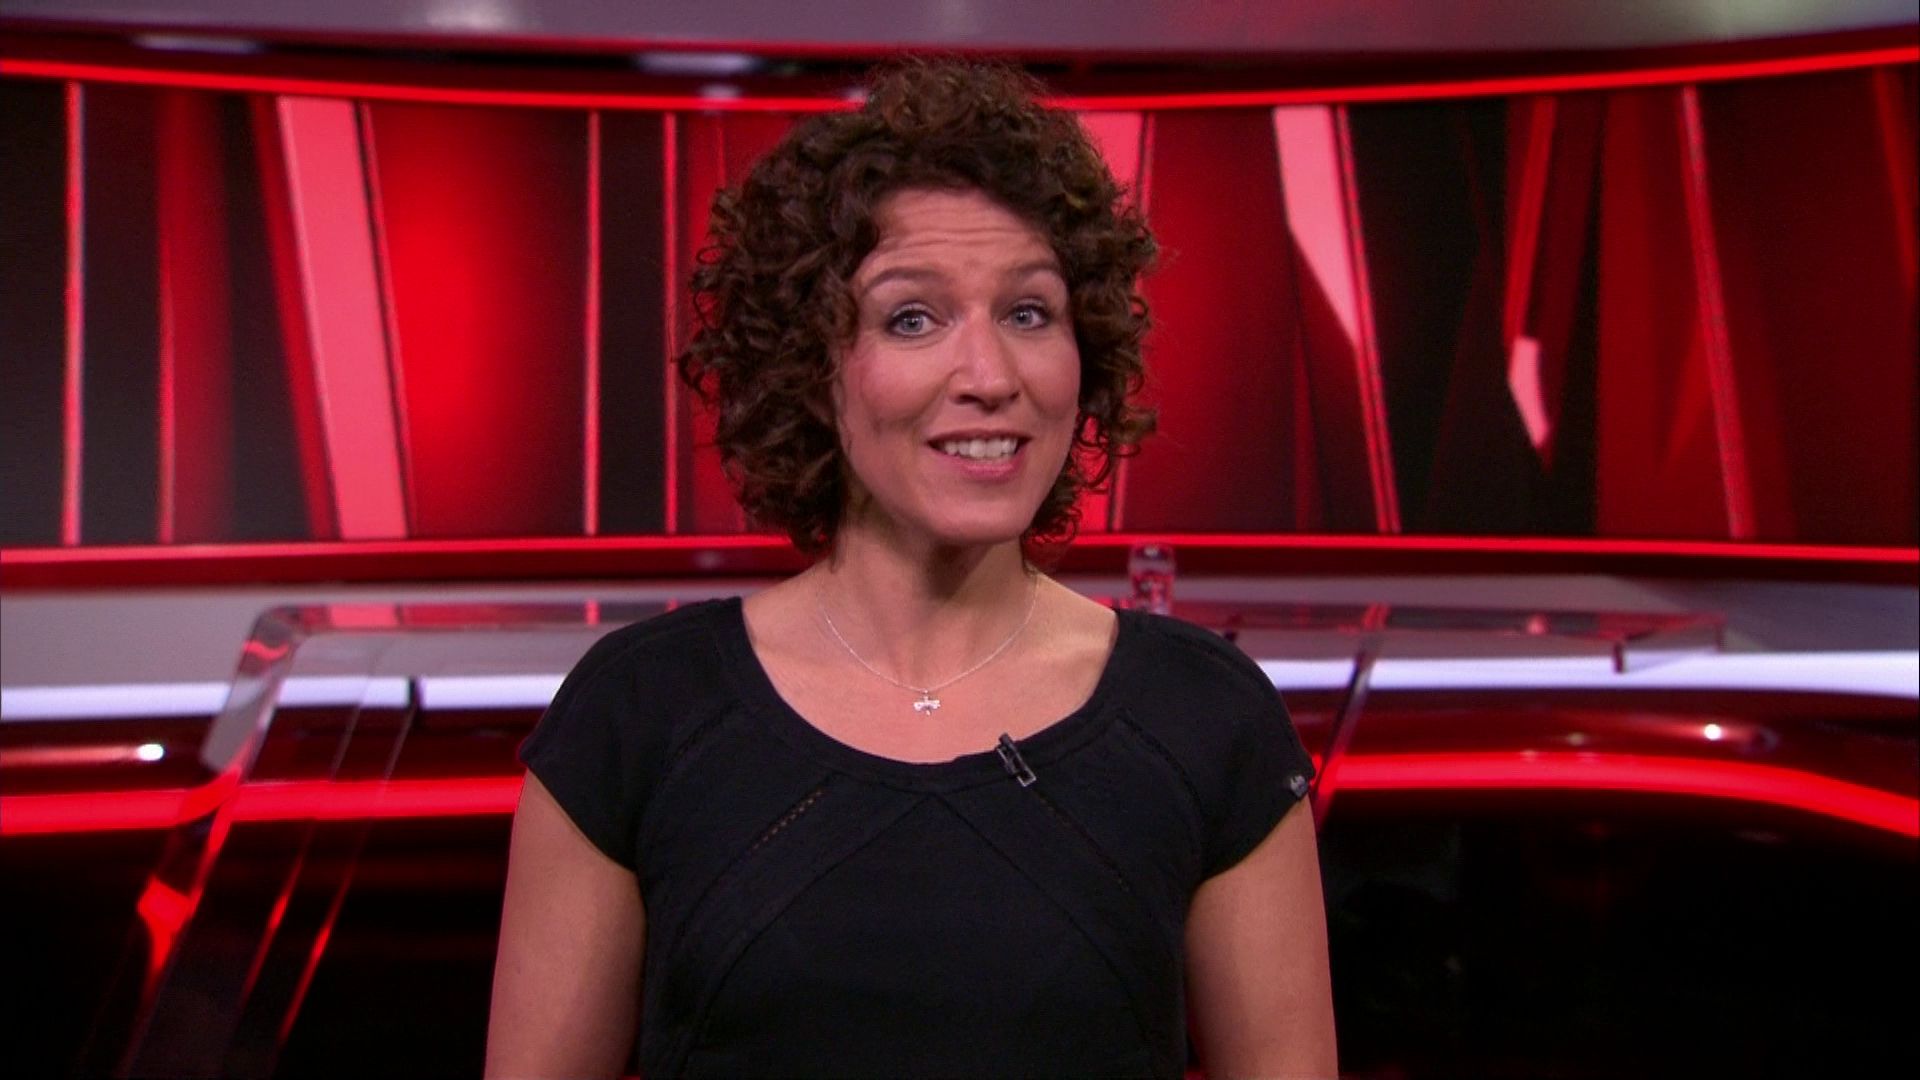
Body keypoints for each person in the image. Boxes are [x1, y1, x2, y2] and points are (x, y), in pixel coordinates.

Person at [487, 60, 1336, 1078]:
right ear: (812, 367)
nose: (990, 377)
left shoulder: (1207, 720)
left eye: (1029, 313)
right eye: (912, 319)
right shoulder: (639, 714)